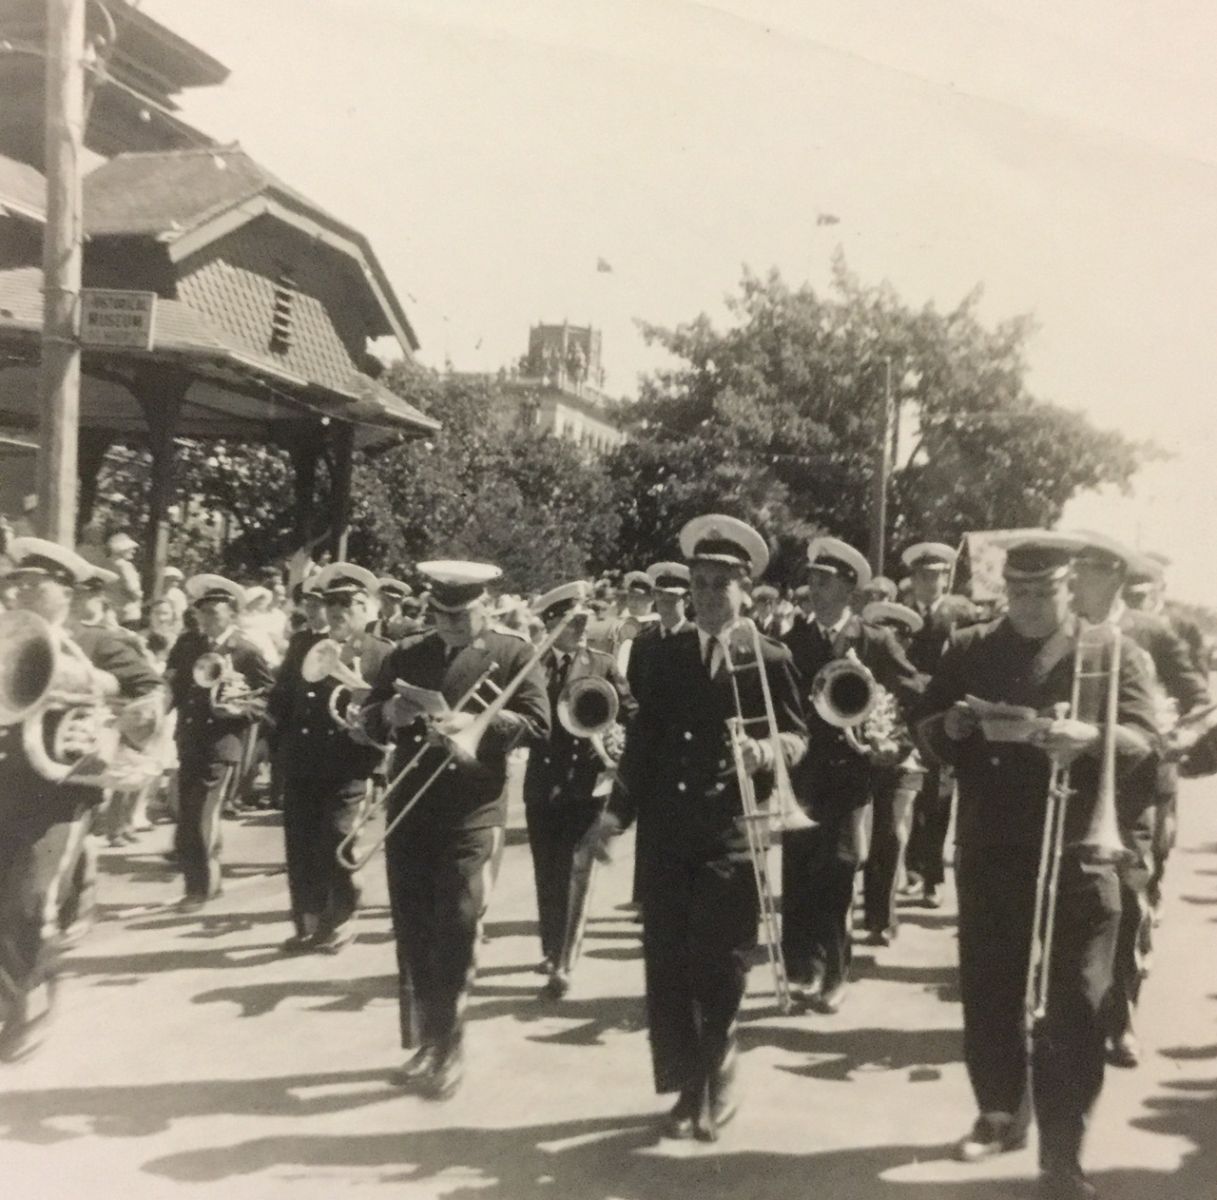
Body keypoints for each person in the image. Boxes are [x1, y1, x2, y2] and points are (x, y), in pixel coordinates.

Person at [915, 532, 1160, 1200]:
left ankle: (1062, 1149)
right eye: (1015, 591)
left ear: (1067, 587)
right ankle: (998, 1113)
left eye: (1041, 592)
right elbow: (926, 727)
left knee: (1073, 1005)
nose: (1026, 604)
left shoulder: (1111, 652)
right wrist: (952, 731)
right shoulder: (969, 648)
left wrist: (1092, 738)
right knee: (991, 987)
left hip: (1078, 849)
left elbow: (1151, 746)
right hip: (992, 844)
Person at [597, 515, 807, 1142]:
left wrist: (768, 755)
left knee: (718, 965)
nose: (710, 595)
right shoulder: (661, 653)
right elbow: (642, 743)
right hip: (666, 833)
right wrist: (615, 812)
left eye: (722, 583)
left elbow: (798, 735)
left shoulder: (769, 655)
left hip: (732, 831)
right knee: (667, 964)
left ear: (746, 589)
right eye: (701, 582)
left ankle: (717, 1077)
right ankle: (687, 1087)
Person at [359, 560, 550, 1100]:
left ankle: (451, 1044)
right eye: (441, 615)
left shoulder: (511, 651)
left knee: (459, 924)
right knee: (415, 930)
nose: (451, 626)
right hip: (412, 811)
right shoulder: (407, 653)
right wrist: (388, 716)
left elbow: (540, 724)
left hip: (474, 810)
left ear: (485, 605)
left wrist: (483, 724)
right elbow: (367, 719)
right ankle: (428, 1041)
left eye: (461, 616)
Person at [0, 539, 162, 1062]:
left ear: (64, 591)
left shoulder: (96, 642)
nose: (20, 590)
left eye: (33, 583)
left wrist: (120, 710)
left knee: (30, 903)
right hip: (7, 782)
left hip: (61, 792)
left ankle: (33, 1004)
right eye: (16, 581)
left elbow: (150, 690)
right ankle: (15, 997)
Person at [1068, 533, 1210, 1069]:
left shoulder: (1152, 632)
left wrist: (1177, 736)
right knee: (1071, 903)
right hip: (1073, 786)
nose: (1075, 580)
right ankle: (1069, 1008)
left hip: (1133, 791)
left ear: (1114, 578)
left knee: (1127, 905)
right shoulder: (1064, 629)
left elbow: (1200, 701)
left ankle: (1120, 1016)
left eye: (1086, 571)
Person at [780, 536, 921, 1013]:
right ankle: (804, 969)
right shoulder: (794, 640)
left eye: (824, 583)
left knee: (838, 870)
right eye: (811, 582)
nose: (814, 591)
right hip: (802, 772)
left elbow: (911, 694)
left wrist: (894, 742)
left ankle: (836, 974)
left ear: (847, 588)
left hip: (852, 772)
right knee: (800, 873)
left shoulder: (875, 639)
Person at [267, 562, 391, 955]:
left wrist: (370, 721)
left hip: (350, 765)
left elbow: (394, 714)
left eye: (347, 602)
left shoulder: (380, 653)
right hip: (303, 763)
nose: (337, 610)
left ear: (366, 607)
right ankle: (309, 923)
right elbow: (283, 700)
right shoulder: (303, 644)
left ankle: (342, 918)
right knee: (300, 844)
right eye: (331, 602)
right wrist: (276, 751)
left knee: (337, 841)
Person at [522, 581, 634, 998]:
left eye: (586, 620)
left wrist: (617, 736)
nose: (584, 628)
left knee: (575, 872)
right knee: (547, 873)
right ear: (553, 625)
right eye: (574, 623)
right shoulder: (531, 664)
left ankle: (565, 961)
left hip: (587, 784)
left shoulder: (602, 664)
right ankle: (552, 948)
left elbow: (630, 709)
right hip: (543, 784)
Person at [164, 575, 274, 910]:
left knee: (202, 813)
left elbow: (268, 697)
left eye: (214, 612)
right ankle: (208, 877)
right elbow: (174, 686)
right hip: (189, 738)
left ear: (232, 615)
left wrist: (241, 707)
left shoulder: (245, 650)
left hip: (223, 741)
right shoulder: (187, 645)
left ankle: (199, 888)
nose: (207, 619)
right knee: (187, 812)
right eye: (202, 612)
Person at [901, 541, 974, 909]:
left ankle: (932, 877)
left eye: (940, 576)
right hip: (905, 717)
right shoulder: (898, 614)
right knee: (907, 798)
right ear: (913, 579)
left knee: (938, 798)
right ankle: (912, 869)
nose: (932, 583)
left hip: (939, 722)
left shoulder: (960, 615)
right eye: (926, 576)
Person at [858, 600, 929, 947]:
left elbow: (926, 712)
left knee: (890, 835)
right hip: (864, 761)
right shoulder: (860, 674)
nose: (891, 640)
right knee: (863, 842)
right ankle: (867, 909)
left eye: (897, 635)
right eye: (883, 632)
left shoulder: (915, 680)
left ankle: (882, 919)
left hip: (902, 763)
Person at [103, 531, 143, 629]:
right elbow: (134, 591)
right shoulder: (126, 566)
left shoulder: (105, 564)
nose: (133, 551)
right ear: (122, 549)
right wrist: (140, 596)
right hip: (128, 614)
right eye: (131, 548)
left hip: (111, 614)